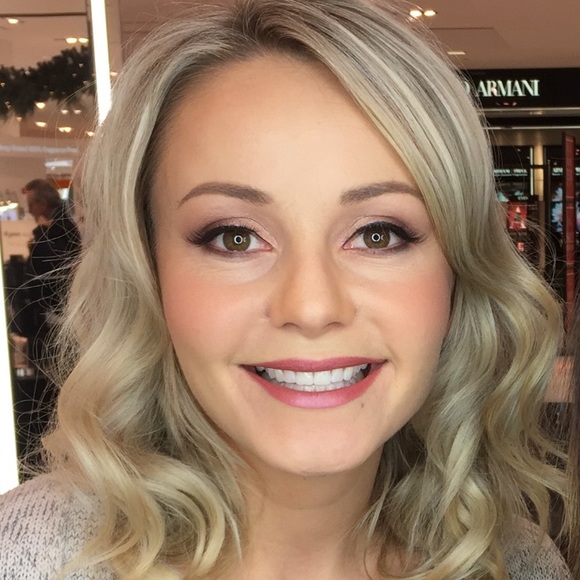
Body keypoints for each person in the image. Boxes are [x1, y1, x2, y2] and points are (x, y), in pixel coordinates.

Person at [0, 1, 570, 578]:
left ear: (458, 272)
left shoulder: (517, 563)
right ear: (149, 270)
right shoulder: (28, 557)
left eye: (377, 234)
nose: (312, 307)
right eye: (236, 238)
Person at [17, 178, 81, 369]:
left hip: (58, 316)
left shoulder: (58, 231)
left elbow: (54, 270)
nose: (29, 210)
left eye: (31, 204)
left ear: (43, 204)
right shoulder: (61, 225)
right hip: (59, 314)